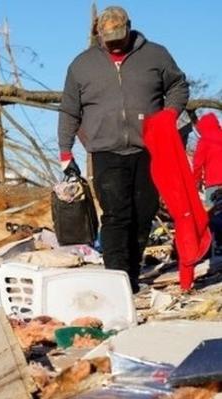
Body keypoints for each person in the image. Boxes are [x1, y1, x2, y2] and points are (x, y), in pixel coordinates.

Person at [58, 5, 190, 291]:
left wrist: (169, 114)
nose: (115, 45)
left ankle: (130, 273)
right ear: (99, 35)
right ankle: (117, 281)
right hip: (105, 150)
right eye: (110, 41)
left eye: (120, 38)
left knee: (144, 212)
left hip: (150, 148)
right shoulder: (81, 65)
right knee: (117, 214)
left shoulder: (156, 55)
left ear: (129, 27)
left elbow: (179, 86)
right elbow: (69, 110)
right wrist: (65, 153)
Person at [193, 113, 222, 257]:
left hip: (214, 183)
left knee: (214, 215)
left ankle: (218, 246)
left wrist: (195, 183)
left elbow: (198, 164)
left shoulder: (204, 141)